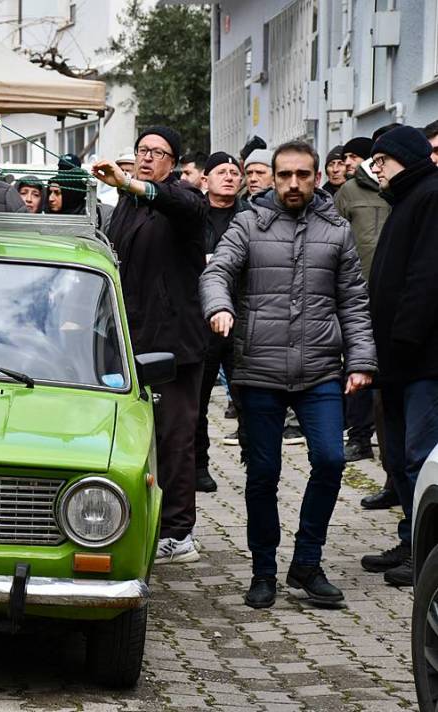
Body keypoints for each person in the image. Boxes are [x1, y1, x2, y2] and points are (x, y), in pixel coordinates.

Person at [201, 140, 376, 609]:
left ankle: (306, 562)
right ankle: (263, 570)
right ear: (272, 178)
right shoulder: (248, 224)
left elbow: (354, 303)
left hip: (320, 370)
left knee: (331, 461)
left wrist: (360, 360)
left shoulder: (336, 231)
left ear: (317, 177)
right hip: (258, 370)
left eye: (303, 174)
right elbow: (216, 273)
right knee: (264, 472)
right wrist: (219, 306)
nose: (294, 183)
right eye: (284, 175)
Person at [92, 127, 207, 565]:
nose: (146, 158)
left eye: (157, 153)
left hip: (174, 343)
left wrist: (131, 184)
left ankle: (179, 533)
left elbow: (178, 202)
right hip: (127, 338)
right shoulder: (126, 205)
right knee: (132, 434)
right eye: (141, 150)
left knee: (173, 435)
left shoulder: (183, 200)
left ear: (172, 163)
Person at [361, 126, 438, 587]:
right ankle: (411, 540)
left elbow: (427, 279)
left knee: (417, 455)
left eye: (382, 161)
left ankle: (426, 555)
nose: (377, 170)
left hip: (421, 362)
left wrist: (402, 343)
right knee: (399, 457)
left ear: (403, 159)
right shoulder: (409, 199)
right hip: (397, 361)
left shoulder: (430, 196)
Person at [195, 152, 250, 494]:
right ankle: (198, 464)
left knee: (247, 394)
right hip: (200, 320)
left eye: (234, 172)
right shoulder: (192, 215)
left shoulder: (253, 216)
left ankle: (254, 458)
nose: (229, 177)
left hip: (243, 318)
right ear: (206, 180)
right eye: (221, 171)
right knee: (197, 397)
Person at [334, 142, 390, 469]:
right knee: (356, 364)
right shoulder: (349, 191)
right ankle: (358, 437)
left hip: (394, 296)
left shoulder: (401, 191)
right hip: (358, 293)